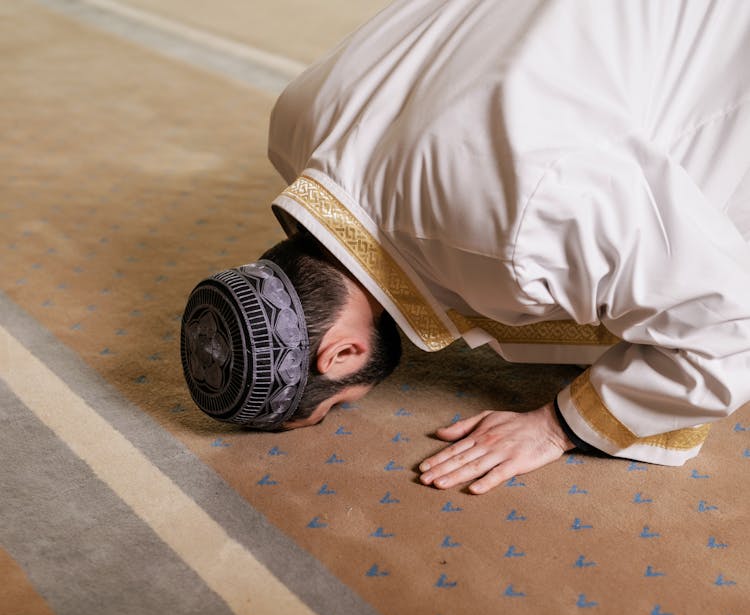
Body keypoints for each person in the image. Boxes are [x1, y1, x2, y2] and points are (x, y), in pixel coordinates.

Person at [181, 0, 750, 495]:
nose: (349, 404)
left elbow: (729, 322)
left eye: (337, 404)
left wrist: (558, 425)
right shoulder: (293, 122)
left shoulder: (514, 236)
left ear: (340, 356)